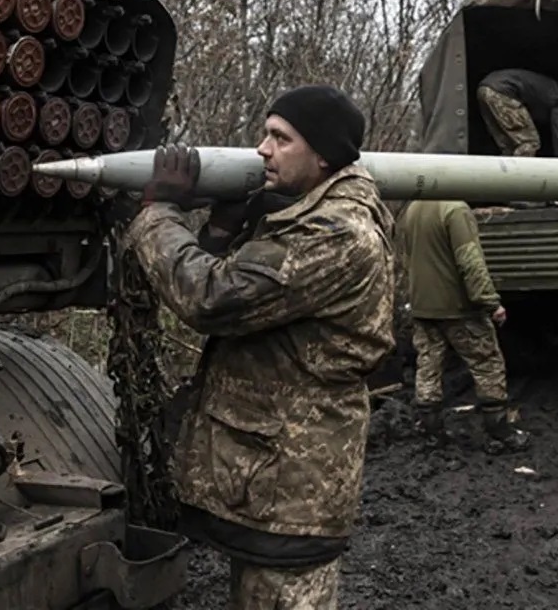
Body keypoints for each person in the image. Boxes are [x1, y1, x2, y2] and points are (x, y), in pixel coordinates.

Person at [122, 84, 395, 609]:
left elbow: (211, 298)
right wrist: (224, 229)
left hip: (293, 485)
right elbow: (239, 299)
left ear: (324, 155)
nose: (262, 149)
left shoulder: (335, 233)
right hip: (271, 478)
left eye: (280, 137)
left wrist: (159, 213)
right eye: (265, 133)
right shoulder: (308, 214)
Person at [396, 199, 530, 454]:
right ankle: (499, 433)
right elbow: (470, 261)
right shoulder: (455, 209)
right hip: (457, 308)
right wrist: (490, 302)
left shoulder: (412, 208)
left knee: (428, 368)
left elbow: (405, 257)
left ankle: (432, 433)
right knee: (487, 364)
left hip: (423, 306)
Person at [475, 68, 558, 158]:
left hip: (485, 89)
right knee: (529, 143)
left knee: (508, 146)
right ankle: (519, 179)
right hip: (503, 91)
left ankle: (503, 177)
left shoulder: (555, 91)